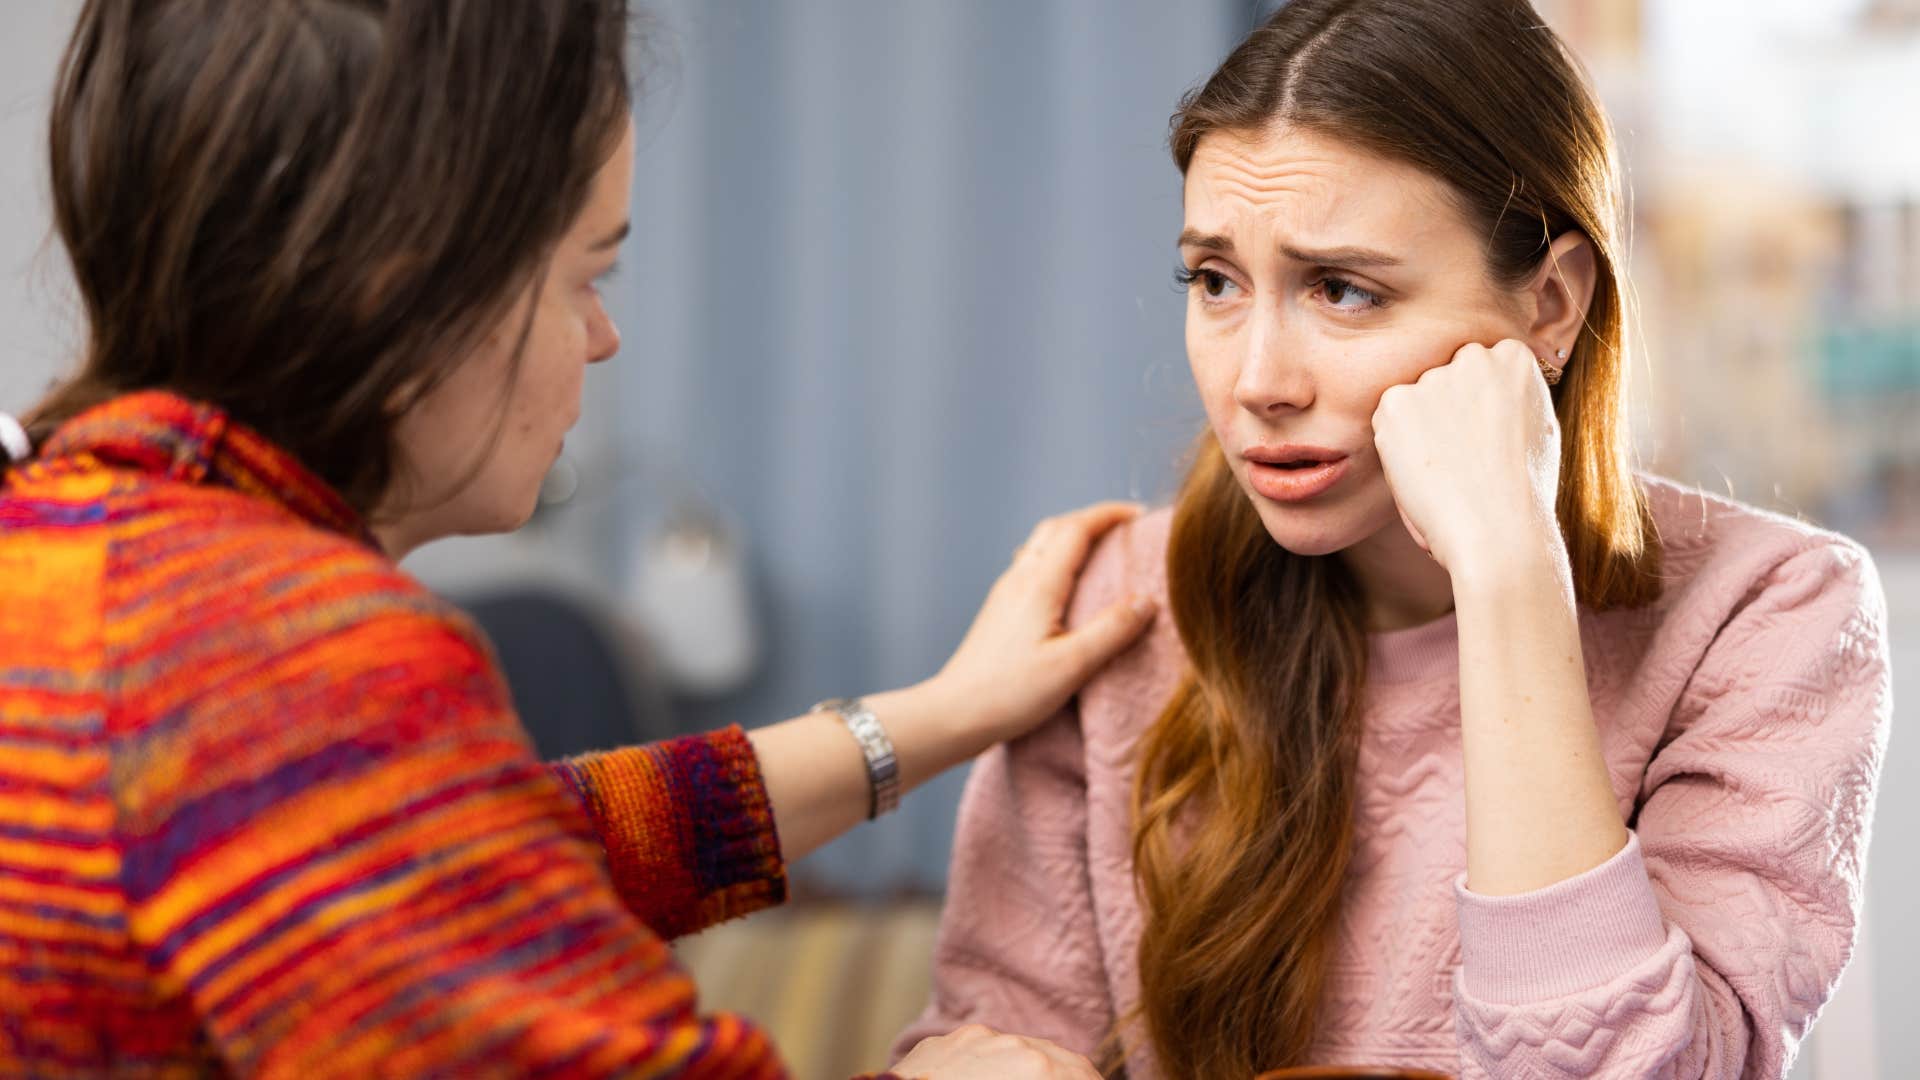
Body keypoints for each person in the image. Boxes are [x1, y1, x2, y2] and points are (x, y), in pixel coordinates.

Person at [0, 2, 1143, 1078]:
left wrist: (947, 712)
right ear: (404, 289)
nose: (601, 337)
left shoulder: (77, 558)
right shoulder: (268, 660)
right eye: (585, 275)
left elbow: (501, 851)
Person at [898, 1, 1893, 1077]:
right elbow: (984, 1046)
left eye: (1343, 290)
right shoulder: (1113, 607)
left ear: (1550, 306)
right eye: (1215, 282)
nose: (1257, 384)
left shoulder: (1770, 612)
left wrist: (1510, 576)